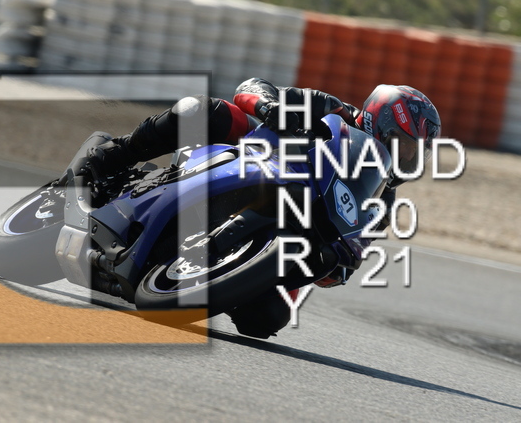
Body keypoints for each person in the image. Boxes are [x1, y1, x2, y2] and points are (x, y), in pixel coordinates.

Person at [84, 77, 442, 338]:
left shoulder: (382, 201)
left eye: (415, 154)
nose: (405, 159)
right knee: (205, 111)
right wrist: (270, 107)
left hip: (295, 235)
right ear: (378, 123)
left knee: (267, 319)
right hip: (258, 161)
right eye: (402, 145)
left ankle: (200, 276)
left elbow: (344, 262)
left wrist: (338, 263)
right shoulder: (331, 109)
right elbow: (252, 88)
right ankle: (115, 156)